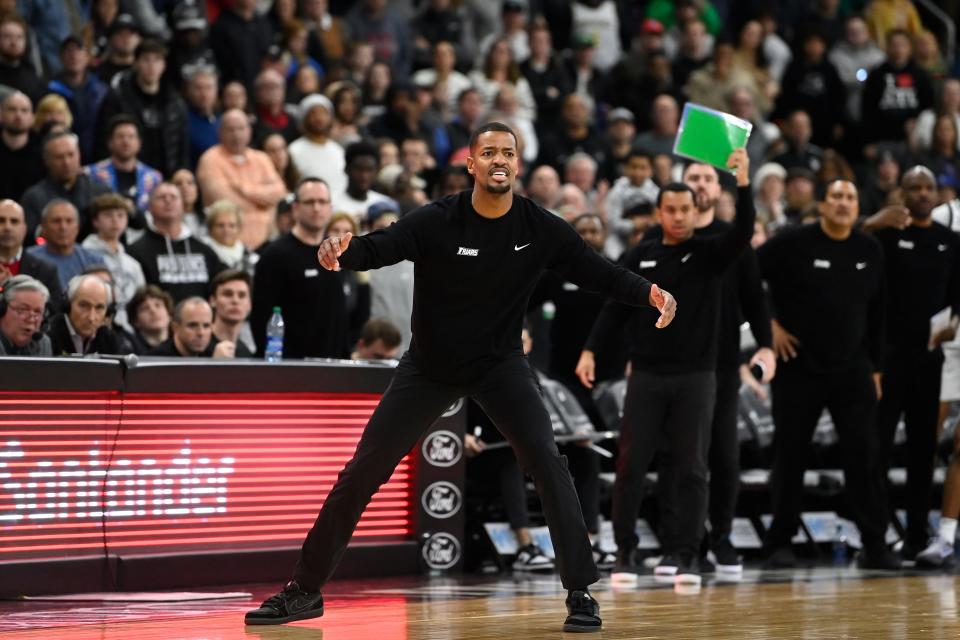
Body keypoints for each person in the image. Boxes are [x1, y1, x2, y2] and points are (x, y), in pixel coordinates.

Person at [245, 123, 677, 631]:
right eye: (488, 151)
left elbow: (597, 271)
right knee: (363, 471)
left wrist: (650, 292)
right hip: (429, 368)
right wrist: (347, 249)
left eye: (508, 152)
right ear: (471, 164)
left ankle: (580, 590)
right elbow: (384, 245)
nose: (499, 159)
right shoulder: (438, 220)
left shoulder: (540, 227)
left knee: (547, 459)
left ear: (517, 165)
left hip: (500, 366)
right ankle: (304, 591)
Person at [576, 149, 755, 587]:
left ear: (698, 212)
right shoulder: (643, 254)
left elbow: (745, 231)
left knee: (692, 465)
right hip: (648, 375)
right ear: (658, 212)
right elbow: (615, 306)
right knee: (631, 463)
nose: (677, 217)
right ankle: (624, 552)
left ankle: (686, 553)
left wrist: (744, 183)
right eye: (670, 209)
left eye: (685, 210)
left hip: (697, 375)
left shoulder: (712, 253)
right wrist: (591, 350)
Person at [641, 160, 775, 576]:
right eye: (693, 177)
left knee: (723, 453)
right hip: (669, 364)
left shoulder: (732, 241)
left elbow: (755, 297)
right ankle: (678, 542)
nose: (700, 185)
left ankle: (721, 537)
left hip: (722, 364)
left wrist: (766, 346)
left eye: (707, 179)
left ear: (718, 191)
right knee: (674, 456)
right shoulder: (655, 239)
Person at [757, 179, 899, 570]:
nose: (843, 203)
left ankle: (874, 542)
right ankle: (779, 542)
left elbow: (879, 313)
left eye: (850, 197)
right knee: (790, 456)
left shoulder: (869, 249)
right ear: (822, 204)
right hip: (798, 366)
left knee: (865, 455)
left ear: (858, 208)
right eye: (836, 196)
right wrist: (768, 325)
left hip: (853, 369)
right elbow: (748, 276)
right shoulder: (791, 242)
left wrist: (877, 368)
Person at [866, 167, 960, 559]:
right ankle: (874, 536)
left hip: (929, 356)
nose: (923, 194)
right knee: (878, 449)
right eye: (914, 188)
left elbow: (957, 292)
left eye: (928, 188)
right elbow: (851, 251)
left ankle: (918, 535)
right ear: (901, 194)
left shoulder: (950, 240)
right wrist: (871, 222)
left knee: (923, 451)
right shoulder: (884, 236)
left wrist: (953, 321)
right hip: (887, 357)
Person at [250, 177, 350, 359]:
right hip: (292, 370)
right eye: (310, 202)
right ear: (295, 209)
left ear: (330, 208)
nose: (317, 208)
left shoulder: (339, 253)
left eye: (322, 202)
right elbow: (261, 319)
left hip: (335, 367)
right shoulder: (275, 255)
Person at [96, 38, 189, 178]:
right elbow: (103, 139)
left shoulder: (175, 102)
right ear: (136, 63)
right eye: (146, 60)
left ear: (164, 65)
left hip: (166, 175)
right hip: (127, 174)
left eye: (157, 60)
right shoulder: (118, 98)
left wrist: (180, 172)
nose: (151, 66)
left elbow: (182, 145)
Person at [196, 109, 287, 250]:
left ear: (249, 131)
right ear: (220, 132)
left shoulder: (262, 158)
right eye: (230, 129)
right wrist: (263, 203)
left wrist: (244, 189)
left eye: (240, 128)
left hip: (267, 241)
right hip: (227, 245)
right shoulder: (210, 159)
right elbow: (226, 203)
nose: (236, 134)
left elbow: (280, 193)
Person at [127, 182, 225, 303]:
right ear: (150, 207)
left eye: (173, 197)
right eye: (161, 197)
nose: (168, 201)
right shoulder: (136, 251)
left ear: (183, 205)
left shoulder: (204, 250)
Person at [20, 131, 112, 243]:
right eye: (59, 157)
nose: (66, 162)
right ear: (47, 161)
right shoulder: (33, 198)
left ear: (79, 155)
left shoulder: (101, 193)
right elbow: (30, 237)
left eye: (71, 155)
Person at [81, 193, 146, 331]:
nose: (115, 220)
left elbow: (141, 301)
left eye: (121, 215)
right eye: (108, 215)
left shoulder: (133, 264)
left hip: (129, 331)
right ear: (95, 221)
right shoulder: (84, 255)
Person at [85, 114, 163, 216]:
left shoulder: (154, 178)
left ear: (139, 143)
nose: (126, 141)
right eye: (120, 136)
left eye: (131, 137)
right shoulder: (91, 175)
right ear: (110, 142)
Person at [27, 200, 107, 290]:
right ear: (43, 227)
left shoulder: (94, 260)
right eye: (56, 221)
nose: (63, 227)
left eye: (69, 221)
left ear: (77, 227)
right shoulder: (28, 259)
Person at [0, 200, 61, 305]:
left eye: (14, 221)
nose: (7, 227)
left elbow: (54, 312)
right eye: (1, 221)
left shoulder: (45, 271)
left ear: (24, 229)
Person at [47, 273, 122, 355]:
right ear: (67, 305)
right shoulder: (49, 335)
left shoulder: (108, 339)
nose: (91, 317)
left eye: (99, 307)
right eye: (84, 306)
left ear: (108, 311)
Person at [289, 94, 347, 198]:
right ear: (305, 118)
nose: (319, 118)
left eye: (323, 113)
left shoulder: (338, 150)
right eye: (313, 113)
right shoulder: (294, 150)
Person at [148, 296, 236, 358]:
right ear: (175, 327)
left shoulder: (215, 352)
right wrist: (214, 367)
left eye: (206, 326)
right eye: (192, 326)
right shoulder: (157, 359)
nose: (201, 333)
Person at [332, 141, 390, 226]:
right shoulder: (332, 204)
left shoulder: (385, 204)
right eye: (359, 169)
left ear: (377, 171)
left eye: (369, 170)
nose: (364, 176)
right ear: (347, 169)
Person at [0, 92, 44, 202]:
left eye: (24, 110)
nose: (18, 115)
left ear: (33, 117)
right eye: (12, 109)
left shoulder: (43, 152)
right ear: (1, 114)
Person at [0, 274, 52, 356]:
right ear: (2, 309)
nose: (31, 319)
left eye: (37, 312)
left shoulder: (43, 343)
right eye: (22, 309)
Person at [209, 269, 256, 357]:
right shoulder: (199, 344)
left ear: (250, 304)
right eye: (227, 294)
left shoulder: (246, 352)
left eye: (242, 295)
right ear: (213, 300)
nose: (235, 301)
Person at [124, 284, 173, 354]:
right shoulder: (129, 350)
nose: (153, 311)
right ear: (135, 321)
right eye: (145, 308)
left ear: (169, 314)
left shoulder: (181, 345)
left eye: (158, 305)